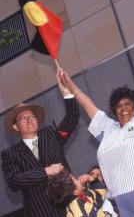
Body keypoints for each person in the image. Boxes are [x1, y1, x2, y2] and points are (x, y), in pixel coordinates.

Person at [58, 37, 134, 217]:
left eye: (128, 104)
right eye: (119, 106)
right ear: (114, 110)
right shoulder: (108, 129)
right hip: (122, 199)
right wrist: (70, 84)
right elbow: (88, 105)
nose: (124, 109)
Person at [1, 69, 79, 217]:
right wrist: (45, 172)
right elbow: (14, 181)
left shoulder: (51, 135)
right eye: (23, 118)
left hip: (70, 207)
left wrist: (66, 92)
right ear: (16, 127)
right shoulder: (10, 154)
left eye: (32, 116)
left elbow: (72, 118)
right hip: (39, 211)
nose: (29, 119)